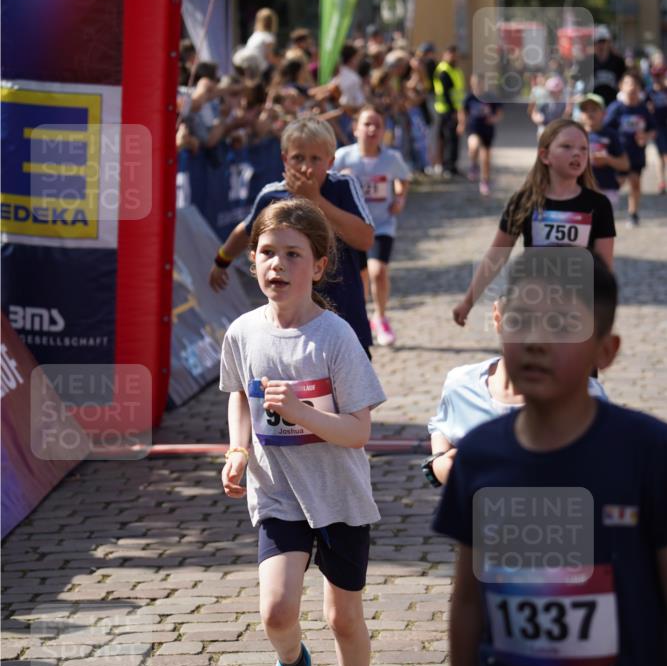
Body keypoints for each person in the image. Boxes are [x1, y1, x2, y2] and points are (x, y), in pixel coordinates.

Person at [433, 251, 667, 666]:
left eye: (562, 325)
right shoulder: (481, 456)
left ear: (606, 352)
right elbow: (466, 602)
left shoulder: (646, 452)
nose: (536, 341)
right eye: (524, 322)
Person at [219, 198, 386, 666]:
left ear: (317, 266)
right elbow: (240, 394)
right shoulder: (242, 332)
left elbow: (359, 431)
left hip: (337, 494)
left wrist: (305, 415)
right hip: (278, 491)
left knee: (342, 617)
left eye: (293, 254)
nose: (277, 265)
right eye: (267, 252)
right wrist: (238, 448)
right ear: (254, 261)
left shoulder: (335, 337)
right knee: (276, 611)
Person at [208, 116, 375, 355]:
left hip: (344, 311)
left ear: (330, 161)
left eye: (315, 159)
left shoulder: (343, 186)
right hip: (291, 318)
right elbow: (244, 232)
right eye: (298, 158)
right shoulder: (271, 195)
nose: (306, 167)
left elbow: (365, 238)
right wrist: (221, 260)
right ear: (285, 159)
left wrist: (316, 200)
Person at [424, 298, 607, 488]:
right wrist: (438, 464)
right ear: (498, 318)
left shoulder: (586, 396)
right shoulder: (462, 384)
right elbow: (443, 426)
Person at [452, 119, 616, 327]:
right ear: (545, 155)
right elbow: (497, 255)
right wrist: (468, 302)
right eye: (566, 147)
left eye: (584, 149)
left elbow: (604, 266)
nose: (577, 154)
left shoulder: (599, 205)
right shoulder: (524, 201)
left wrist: (602, 315)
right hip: (532, 301)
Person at [332, 107, 411, 347]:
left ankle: (381, 316)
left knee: (378, 272)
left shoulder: (391, 159)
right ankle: (363, 318)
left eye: (378, 125)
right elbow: (325, 185)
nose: (372, 129)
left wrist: (399, 198)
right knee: (361, 276)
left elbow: (404, 179)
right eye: (367, 124)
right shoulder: (343, 157)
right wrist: (340, 181)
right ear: (355, 129)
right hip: (353, 228)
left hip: (381, 225)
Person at [604, 72, 655, 227]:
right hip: (619, 155)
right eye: (628, 83)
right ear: (621, 87)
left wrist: (645, 137)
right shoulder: (616, 108)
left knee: (635, 183)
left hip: (637, 154)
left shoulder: (643, 108)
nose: (632, 87)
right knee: (616, 184)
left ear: (639, 87)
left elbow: (652, 129)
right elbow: (605, 129)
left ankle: (633, 214)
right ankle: (606, 213)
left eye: (635, 84)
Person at [576, 92, 629, 211]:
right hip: (581, 190)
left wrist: (608, 160)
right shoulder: (575, 135)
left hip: (607, 190)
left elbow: (625, 165)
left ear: (604, 113)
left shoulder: (612, 135)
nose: (589, 113)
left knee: (603, 229)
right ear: (580, 114)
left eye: (594, 109)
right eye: (585, 110)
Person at [463, 75, 502, 196]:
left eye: (480, 83)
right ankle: (473, 165)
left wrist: (494, 118)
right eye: (475, 83)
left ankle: (485, 181)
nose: (478, 86)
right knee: (473, 146)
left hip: (487, 130)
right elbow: (463, 111)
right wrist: (461, 124)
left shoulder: (490, 97)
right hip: (474, 128)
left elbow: (499, 111)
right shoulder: (469, 97)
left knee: (485, 159)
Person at [433, 45, 466, 178]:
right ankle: (447, 166)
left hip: (455, 108)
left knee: (454, 139)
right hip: (446, 110)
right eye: (451, 54)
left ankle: (453, 165)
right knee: (448, 139)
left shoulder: (455, 70)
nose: (454, 57)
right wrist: (453, 110)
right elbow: (446, 93)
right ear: (446, 54)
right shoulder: (443, 71)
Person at [592, 25, 626, 106]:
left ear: (609, 42)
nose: (601, 45)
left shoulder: (618, 61)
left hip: (613, 102)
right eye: (597, 42)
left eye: (603, 41)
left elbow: (623, 80)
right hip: (594, 103)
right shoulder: (588, 61)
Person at [647, 65, 667, 194]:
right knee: (661, 156)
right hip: (658, 128)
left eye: (660, 76)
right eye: (655, 76)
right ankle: (661, 182)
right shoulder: (649, 92)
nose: (657, 79)